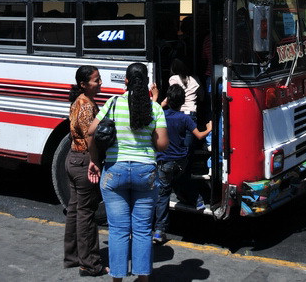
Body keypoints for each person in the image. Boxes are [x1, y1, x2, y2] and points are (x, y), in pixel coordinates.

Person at [87, 63, 168, 282]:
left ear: (126, 81)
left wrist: (94, 160)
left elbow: (91, 131)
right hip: (145, 172)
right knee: (142, 230)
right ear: (147, 83)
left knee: (118, 230)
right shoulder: (155, 108)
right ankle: (143, 279)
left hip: (115, 171)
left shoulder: (113, 104)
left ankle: (117, 279)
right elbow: (162, 145)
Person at [153, 84, 212, 245]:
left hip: (164, 162)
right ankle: (198, 200)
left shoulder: (161, 115)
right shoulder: (185, 118)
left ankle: (159, 230)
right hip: (180, 161)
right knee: (184, 179)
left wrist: (160, 101)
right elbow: (199, 136)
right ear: (183, 102)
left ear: (168, 100)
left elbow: (153, 111)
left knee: (163, 194)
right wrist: (209, 128)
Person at [64, 65, 107, 277]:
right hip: (83, 161)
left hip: (73, 159)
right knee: (86, 213)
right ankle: (89, 263)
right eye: (96, 80)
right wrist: (95, 160)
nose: (100, 83)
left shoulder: (80, 100)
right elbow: (90, 135)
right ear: (83, 84)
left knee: (75, 210)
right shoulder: (86, 105)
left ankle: (73, 257)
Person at [166, 58, 202, 149]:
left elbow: (173, 94)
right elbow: (202, 96)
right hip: (191, 112)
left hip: (178, 112)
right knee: (187, 146)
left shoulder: (173, 78)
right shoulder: (195, 79)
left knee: (175, 142)